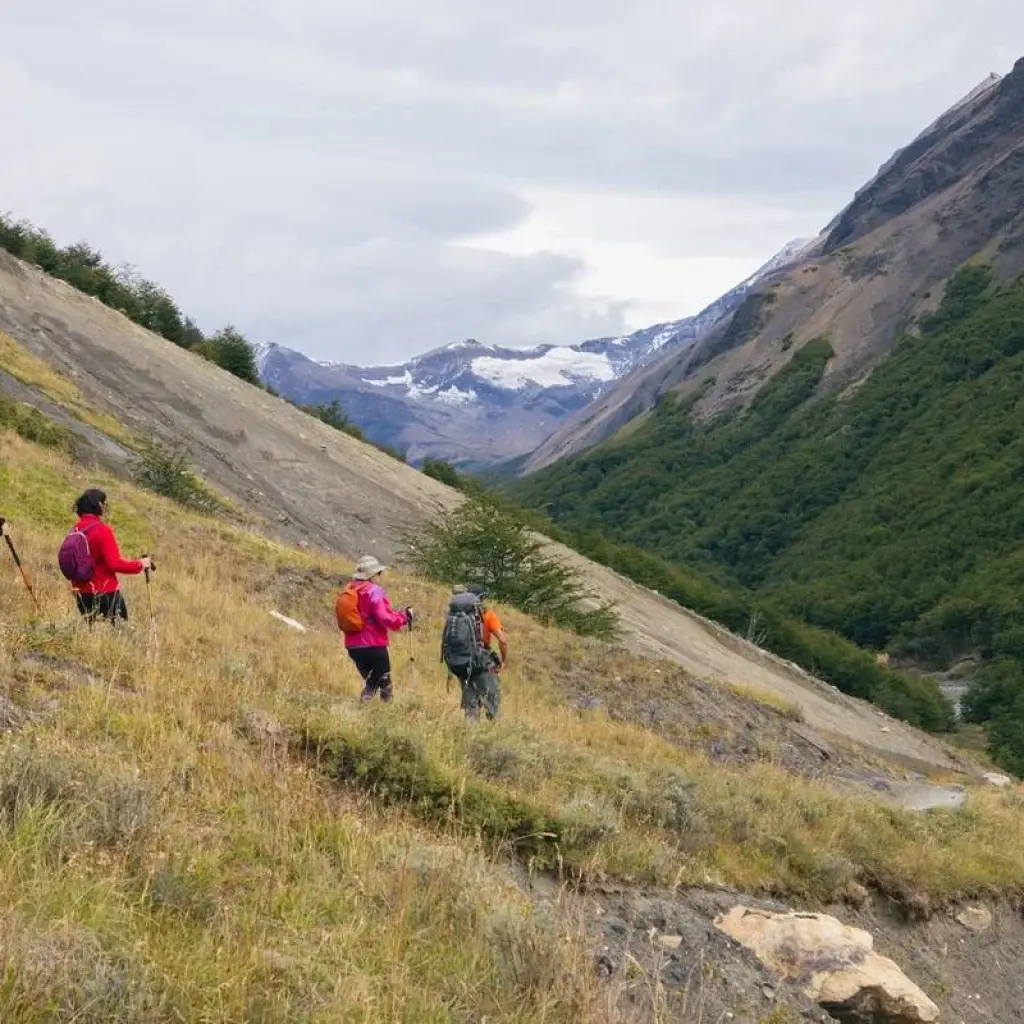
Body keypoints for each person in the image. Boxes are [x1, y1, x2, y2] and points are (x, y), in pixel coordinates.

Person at [61, 488, 152, 624]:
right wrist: (140, 564)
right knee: (120, 636)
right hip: (106, 593)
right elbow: (114, 564)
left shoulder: (75, 529)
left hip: (82, 594)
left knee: (93, 637)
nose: (104, 506)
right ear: (98, 505)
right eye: (103, 502)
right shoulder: (102, 530)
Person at [335, 555, 412, 703]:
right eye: (378, 573)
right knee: (381, 681)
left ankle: (373, 713)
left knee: (376, 680)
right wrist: (404, 618)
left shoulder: (349, 589)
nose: (379, 576)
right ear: (372, 574)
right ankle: (381, 712)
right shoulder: (374, 590)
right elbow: (384, 617)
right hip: (374, 644)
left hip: (353, 646)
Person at [441, 585, 508, 722]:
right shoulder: (488, 615)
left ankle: (470, 737)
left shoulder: (455, 616)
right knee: (492, 704)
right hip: (482, 664)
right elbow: (503, 639)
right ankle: (494, 735)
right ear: (481, 598)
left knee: (471, 708)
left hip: (461, 662)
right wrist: (503, 660)